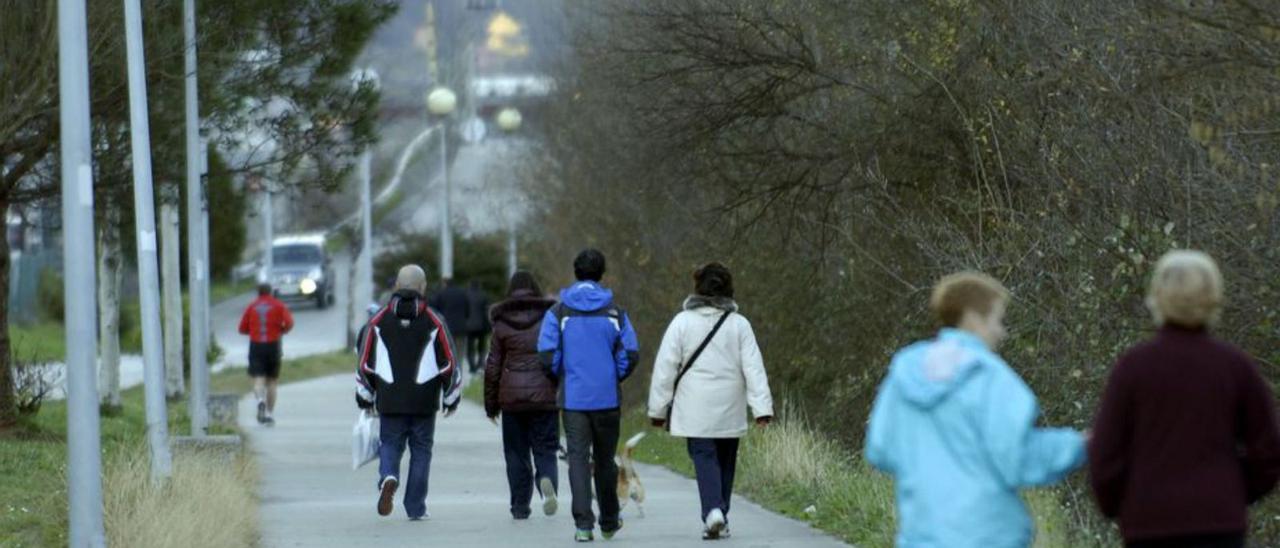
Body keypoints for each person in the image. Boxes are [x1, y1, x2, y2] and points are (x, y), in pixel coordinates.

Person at [864, 271, 1085, 547]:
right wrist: (1080, 445)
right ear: (973, 317)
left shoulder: (905, 371)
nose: (1001, 332)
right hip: (989, 535)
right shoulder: (991, 377)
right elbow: (1017, 459)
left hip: (922, 535)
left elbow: (880, 449)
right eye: (997, 319)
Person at [1089, 251, 1280, 548]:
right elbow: (1268, 450)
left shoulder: (1134, 367)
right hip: (1219, 524)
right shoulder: (1234, 366)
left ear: (1157, 297)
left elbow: (1105, 452)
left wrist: (1119, 503)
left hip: (1149, 524)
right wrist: (1232, 490)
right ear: (1213, 297)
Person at [647, 262, 773, 540]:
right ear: (729, 290)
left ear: (698, 288)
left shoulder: (681, 323)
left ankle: (713, 512)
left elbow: (665, 368)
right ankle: (720, 515)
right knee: (726, 461)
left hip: (694, 408)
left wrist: (657, 409)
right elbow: (754, 368)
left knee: (704, 457)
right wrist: (762, 409)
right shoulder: (740, 325)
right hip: (730, 407)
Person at [537, 249, 640, 542]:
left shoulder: (558, 312)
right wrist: (612, 375)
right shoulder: (616, 313)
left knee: (578, 460)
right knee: (605, 461)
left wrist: (562, 377)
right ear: (601, 274)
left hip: (573, 400)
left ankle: (583, 525)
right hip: (607, 398)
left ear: (576, 272)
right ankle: (609, 521)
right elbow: (630, 354)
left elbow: (546, 355)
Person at [355, 265, 463, 521]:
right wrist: (451, 397)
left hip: (390, 398)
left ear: (396, 286)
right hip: (424, 401)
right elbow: (449, 362)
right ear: (423, 287)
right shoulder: (435, 320)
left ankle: (388, 476)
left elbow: (365, 363)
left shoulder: (377, 321)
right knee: (421, 450)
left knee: (390, 443)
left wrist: (366, 396)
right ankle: (416, 507)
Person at [485, 271, 560, 520]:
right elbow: (557, 356)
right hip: (544, 395)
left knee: (516, 453)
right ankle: (547, 481)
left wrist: (491, 404)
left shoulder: (501, 322)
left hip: (512, 398)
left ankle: (519, 506)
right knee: (546, 448)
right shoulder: (550, 318)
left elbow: (493, 365)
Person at [238, 282, 294, 425]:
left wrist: (252, 331)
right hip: (273, 345)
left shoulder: (252, 306)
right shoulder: (279, 305)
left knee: (258, 378)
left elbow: (242, 328)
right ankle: (269, 414)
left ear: (258, 292)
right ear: (271, 292)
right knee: (272, 382)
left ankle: (260, 400)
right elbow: (289, 323)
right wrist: (282, 330)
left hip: (256, 345)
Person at [429, 277, 471, 369]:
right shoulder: (463, 293)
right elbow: (468, 310)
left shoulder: (441, 294)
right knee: (459, 352)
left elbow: (435, 309)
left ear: (444, 284)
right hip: (461, 327)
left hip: (446, 328)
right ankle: (458, 369)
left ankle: (449, 370)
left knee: (447, 351)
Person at [466, 280, 493, 374]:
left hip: (469, 325)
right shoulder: (484, 295)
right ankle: (480, 364)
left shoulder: (466, 295)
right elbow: (487, 311)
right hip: (482, 325)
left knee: (470, 346)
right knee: (481, 345)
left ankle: (472, 365)